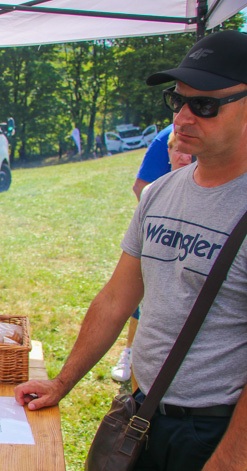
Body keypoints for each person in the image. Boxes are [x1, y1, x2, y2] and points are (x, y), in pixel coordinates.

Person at [15, 30, 247, 471]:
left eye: (205, 104)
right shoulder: (163, 191)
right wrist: (62, 382)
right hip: (144, 414)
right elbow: (119, 296)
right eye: (178, 101)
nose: (183, 117)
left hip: (219, 431)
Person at [111, 124, 180, 385]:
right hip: (163, 236)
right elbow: (141, 185)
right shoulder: (167, 136)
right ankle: (130, 351)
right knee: (145, 292)